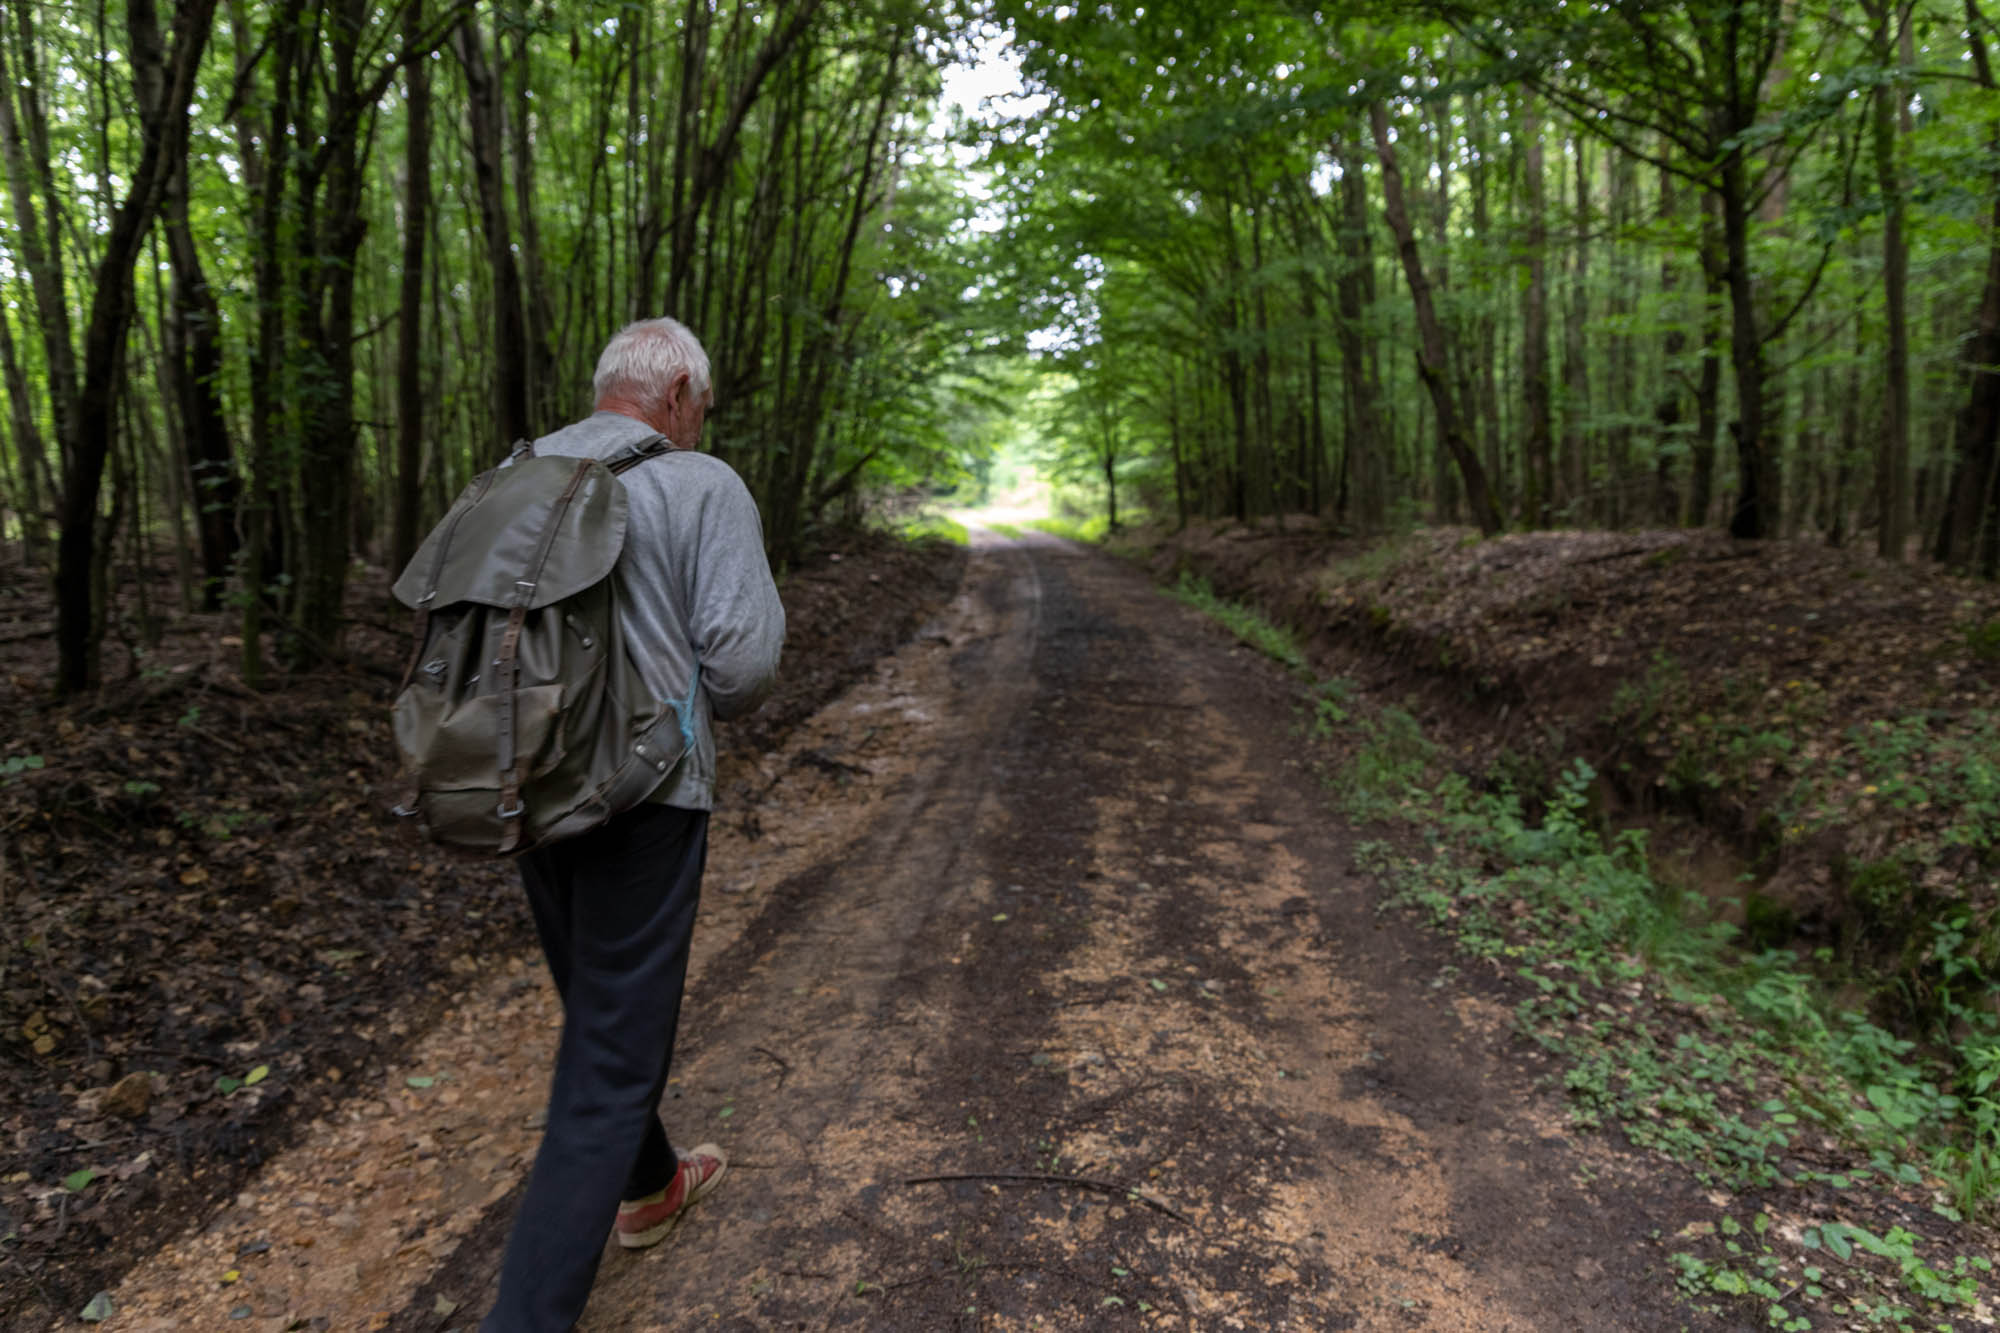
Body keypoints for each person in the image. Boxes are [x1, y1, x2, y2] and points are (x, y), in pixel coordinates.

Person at [481, 317, 785, 1332]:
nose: (705, 417)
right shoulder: (700, 485)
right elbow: (741, 671)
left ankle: (653, 1186)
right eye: (705, 402)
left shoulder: (513, 473)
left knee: (602, 1013)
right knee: (610, 1058)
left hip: (524, 788)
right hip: (648, 801)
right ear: (683, 391)